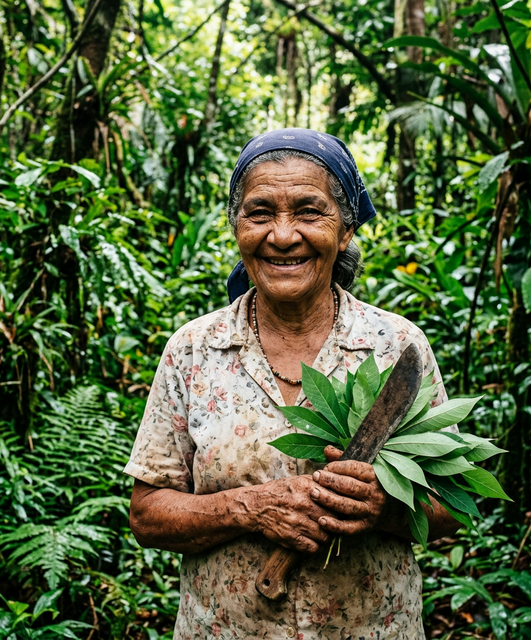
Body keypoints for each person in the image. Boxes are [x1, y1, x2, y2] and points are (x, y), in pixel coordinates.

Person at [124, 128, 459, 639]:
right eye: (260, 213)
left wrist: (384, 507)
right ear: (238, 228)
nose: (282, 235)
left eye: (308, 211)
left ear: (345, 231)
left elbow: (450, 507)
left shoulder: (395, 346)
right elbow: (148, 516)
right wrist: (249, 508)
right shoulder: (193, 350)